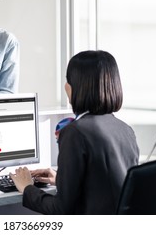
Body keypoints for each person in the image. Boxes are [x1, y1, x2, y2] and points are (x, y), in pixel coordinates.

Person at [10, 50, 140, 215]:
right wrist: (60, 180)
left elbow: (61, 209)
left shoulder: (75, 133)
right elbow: (106, 187)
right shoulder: (125, 129)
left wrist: (27, 188)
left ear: (69, 88)